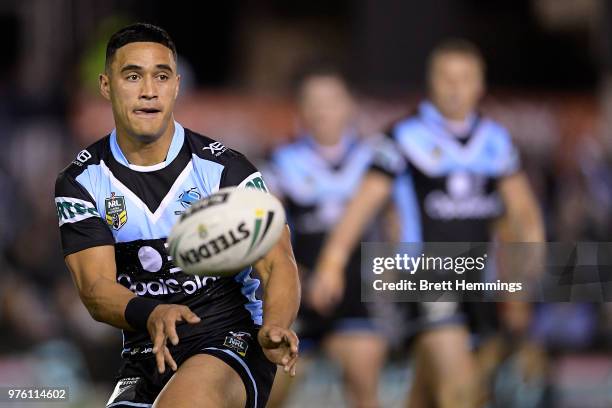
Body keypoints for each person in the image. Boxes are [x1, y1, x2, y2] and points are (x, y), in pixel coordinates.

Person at [54, 23, 300, 408]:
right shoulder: (82, 182)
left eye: (161, 76)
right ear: (106, 86)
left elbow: (278, 263)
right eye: (132, 76)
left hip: (228, 338)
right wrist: (152, 312)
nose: (149, 90)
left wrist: (276, 323)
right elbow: (95, 288)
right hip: (144, 351)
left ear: (176, 86)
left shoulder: (225, 171)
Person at [311, 39, 544, 408]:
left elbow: (522, 210)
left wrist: (529, 262)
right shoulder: (403, 138)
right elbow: (363, 204)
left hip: (478, 280)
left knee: (434, 391)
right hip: (424, 277)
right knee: (461, 389)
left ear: (480, 84)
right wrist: (332, 262)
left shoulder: (496, 142)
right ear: (431, 81)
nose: (455, 87)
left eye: (464, 78)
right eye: (446, 78)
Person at [264, 63, 387, 408]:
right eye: (312, 101)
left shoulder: (376, 158)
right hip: (298, 294)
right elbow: (265, 236)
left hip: (358, 298)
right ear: (300, 108)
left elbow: (398, 226)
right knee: (270, 391)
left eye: (331, 100)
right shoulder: (279, 162)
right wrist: (300, 280)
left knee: (364, 380)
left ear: (350, 104)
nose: (322, 111)